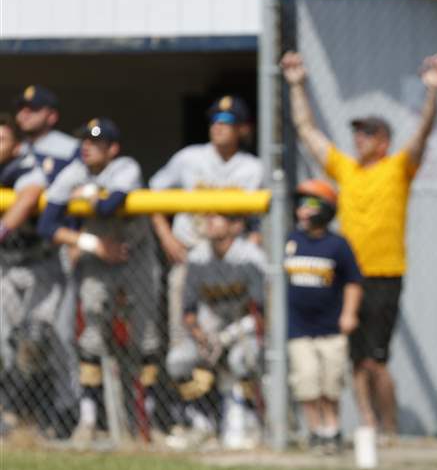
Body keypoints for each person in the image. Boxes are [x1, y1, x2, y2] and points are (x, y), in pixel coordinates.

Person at [280, 50, 437, 439]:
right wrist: (296, 84)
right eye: (357, 132)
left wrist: (433, 93)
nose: (358, 138)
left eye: (367, 133)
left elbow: (423, 133)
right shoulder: (346, 169)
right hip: (346, 278)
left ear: (384, 141)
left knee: (376, 362)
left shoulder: (397, 168)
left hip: (384, 274)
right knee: (355, 362)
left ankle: (390, 430)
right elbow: (307, 131)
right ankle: (368, 428)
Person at [37, 118, 163, 446]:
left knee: (145, 337)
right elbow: (47, 225)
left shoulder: (125, 167)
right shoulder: (73, 172)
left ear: (113, 148)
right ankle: (89, 418)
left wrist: (88, 194)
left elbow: (108, 206)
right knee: (92, 334)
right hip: (99, 252)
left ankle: (146, 422)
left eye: (96, 141)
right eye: (85, 140)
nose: (87, 146)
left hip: (136, 254)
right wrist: (91, 245)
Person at [150, 96, 263, 353]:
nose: (218, 126)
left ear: (243, 129)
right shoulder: (189, 158)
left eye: (227, 121)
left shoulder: (254, 168)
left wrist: (252, 245)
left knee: (235, 340)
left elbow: (264, 218)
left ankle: (232, 390)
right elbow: (153, 193)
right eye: (214, 120)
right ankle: (193, 386)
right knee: (184, 339)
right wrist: (166, 237)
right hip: (190, 252)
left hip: (232, 260)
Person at [164, 213, 266, 450]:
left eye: (218, 217)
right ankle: (201, 424)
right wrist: (200, 335)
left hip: (243, 329)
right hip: (209, 331)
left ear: (236, 224)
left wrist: (229, 336)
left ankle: (248, 422)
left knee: (242, 359)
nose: (209, 221)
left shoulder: (250, 256)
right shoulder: (199, 256)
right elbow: (188, 309)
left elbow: (263, 312)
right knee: (179, 361)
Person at [285, 179, 363, 453]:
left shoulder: (337, 245)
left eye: (310, 204)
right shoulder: (291, 241)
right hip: (298, 328)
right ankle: (315, 431)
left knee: (330, 383)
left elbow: (353, 281)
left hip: (330, 327)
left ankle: (332, 429)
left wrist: (349, 314)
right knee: (307, 381)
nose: (302, 210)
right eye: (301, 204)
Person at [0, 113, 56, 430]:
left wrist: (2, 228)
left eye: (2, 139)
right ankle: (8, 411)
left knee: (39, 340)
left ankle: (48, 415)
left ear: (17, 146)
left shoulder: (22, 168)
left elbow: (31, 195)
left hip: (39, 264)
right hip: (4, 266)